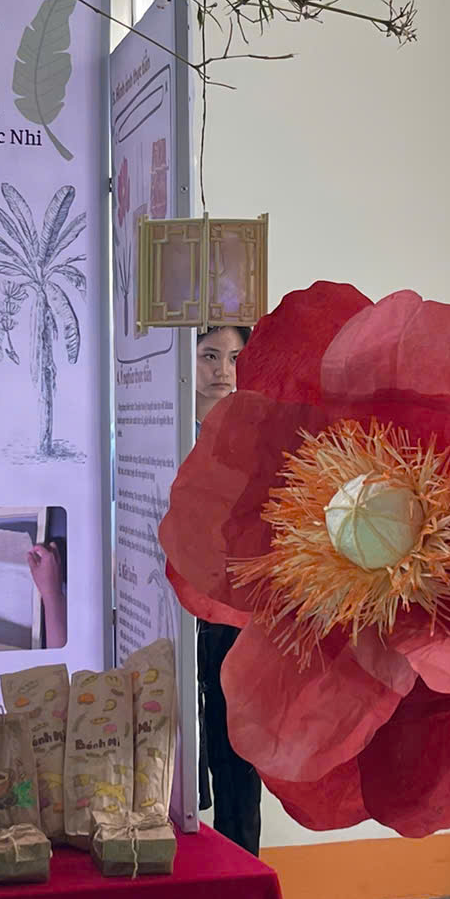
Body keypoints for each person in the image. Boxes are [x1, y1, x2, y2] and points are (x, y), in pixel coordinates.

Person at [193, 325, 263, 854]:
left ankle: (241, 866)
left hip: (237, 610)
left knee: (238, 751)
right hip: (177, 608)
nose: (223, 371)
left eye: (235, 357)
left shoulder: (258, 437)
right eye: (210, 355)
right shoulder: (164, 431)